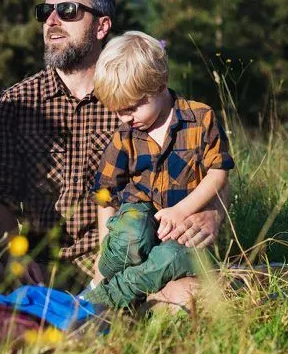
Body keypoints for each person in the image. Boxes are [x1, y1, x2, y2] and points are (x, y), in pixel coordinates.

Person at [0, 0, 228, 310]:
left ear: (102, 25)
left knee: (191, 299)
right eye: (45, 12)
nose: (52, 20)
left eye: (67, 11)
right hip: (38, 264)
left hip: (127, 262)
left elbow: (203, 163)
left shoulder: (139, 97)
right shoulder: (17, 102)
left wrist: (213, 214)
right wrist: (16, 257)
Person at [81, 31, 234, 310]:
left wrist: (182, 211)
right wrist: (105, 249)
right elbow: (105, 194)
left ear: (160, 84)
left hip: (180, 231)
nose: (125, 118)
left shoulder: (200, 119)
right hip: (138, 221)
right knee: (131, 235)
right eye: (117, 111)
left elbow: (218, 173)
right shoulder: (124, 135)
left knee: (171, 259)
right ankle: (99, 282)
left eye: (133, 108)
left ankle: (109, 296)